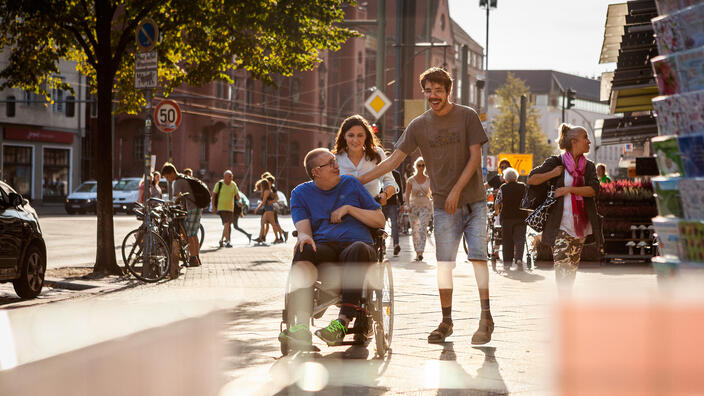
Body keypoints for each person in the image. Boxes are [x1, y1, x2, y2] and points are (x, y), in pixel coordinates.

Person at [359, 67, 493, 345]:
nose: (433, 96)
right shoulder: (419, 125)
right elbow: (393, 161)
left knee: (479, 258)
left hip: (475, 201)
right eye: (428, 91)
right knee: (444, 265)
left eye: (438, 91)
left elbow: (474, 158)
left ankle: (485, 317)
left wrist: (457, 189)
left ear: (448, 91)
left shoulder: (467, 116)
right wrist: (358, 180)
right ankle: (446, 321)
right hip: (444, 205)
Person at [278, 148, 385, 348]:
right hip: (326, 248)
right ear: (315, 172)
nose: (337, 166)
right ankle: (301, 326)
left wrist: (350, 208)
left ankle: (342, 323)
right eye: (330, 163)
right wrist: (303, 236)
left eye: (335, 161)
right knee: (304, 248)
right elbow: (303, 229)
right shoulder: (300, 193)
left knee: (358, 249)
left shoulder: (351, 184)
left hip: (357, 247)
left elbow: (380, 220)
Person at [526, 124, 602, 294]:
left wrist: (569, 189)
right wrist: (552, 174)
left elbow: (594, 190)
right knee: (562, 266)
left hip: (581, 227)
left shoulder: (588, 167)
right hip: (559, 225)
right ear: (574, 141)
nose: (589, 141)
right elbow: (532, 179)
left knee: (571, 269)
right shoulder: (556, 162)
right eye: (585, 137)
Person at [332, 114, 399, 252]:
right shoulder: (335, 158)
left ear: (366, 137)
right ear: (344, 136)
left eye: (360, 135)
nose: (355, 140)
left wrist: (385, 195)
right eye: (351, 135)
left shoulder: (377, 154)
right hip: (343, 214)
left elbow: (390, 182)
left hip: (370, 212)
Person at [161, 162, 202, 270]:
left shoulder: (178, 182)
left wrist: (166, 204)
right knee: (194, 234)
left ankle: (193, 259)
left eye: (166, 177)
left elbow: (175, 199)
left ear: (171, 173)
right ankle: (196, 257)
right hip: (197, 207)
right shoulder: (184, 178)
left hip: (192, 208)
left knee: (190, 235)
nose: (167, 179)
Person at [494, 167, 528, 270]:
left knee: (507, 240)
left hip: (507, 218)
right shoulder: (523, 187)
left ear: (506, 179)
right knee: (520, 239)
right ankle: (518, 259)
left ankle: (507, 263)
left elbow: (497, 202)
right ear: (516, 178)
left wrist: (497, 212)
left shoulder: (503, 188)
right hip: (521, 217)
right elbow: (527, 200)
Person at [212, 170, 251, 247]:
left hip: (230, 208)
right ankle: (228, 242)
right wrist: (213, 207)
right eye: (229, 176)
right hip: (221, 208)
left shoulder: (233, 185)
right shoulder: (219, 184)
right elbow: (213, 196)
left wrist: (240, 201)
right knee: (227, 223)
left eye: (232, 176)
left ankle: (221, 240)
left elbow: (238, 196)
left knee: (227, 224)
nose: (231, 178)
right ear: (224, 177)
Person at [404, 157, 432, 262]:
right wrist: (408, 206)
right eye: (419, 165)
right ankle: (417, 252)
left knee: (422, 229)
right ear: (415, 166)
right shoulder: (411, 180)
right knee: (415, 230)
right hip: (413, 207)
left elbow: (432, 192)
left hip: (425, 207)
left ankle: (421, 251)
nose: (421, 167)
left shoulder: (429, 179)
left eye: (423, 165)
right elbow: (407, 196)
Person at [253, 178, 283, 243]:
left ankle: (277, 238)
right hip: (268, 209)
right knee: (264, 223)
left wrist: (257, 208)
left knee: (273, 224)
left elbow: (263, 202)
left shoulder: (266, 191)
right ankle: (261, 238)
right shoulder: (267, 191)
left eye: (261, 185)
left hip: (269, 210)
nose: (260, 186)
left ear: (263, 185)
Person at [264, 174, 288, 243]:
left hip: (273, 208)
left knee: (275, 223)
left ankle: (281, 236)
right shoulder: (269, 188)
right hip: (270, 208)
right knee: (274, 223)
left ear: (270, 182)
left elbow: (277, 198)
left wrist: (270, 202)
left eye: (267, 181)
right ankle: (281, 235)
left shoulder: (273, 188)